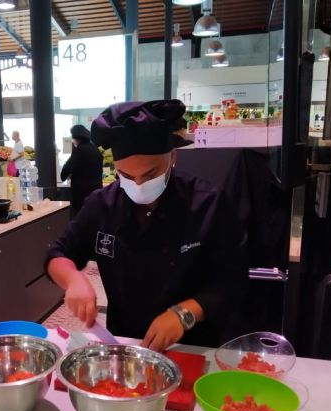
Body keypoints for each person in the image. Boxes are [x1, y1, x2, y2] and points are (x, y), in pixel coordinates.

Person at [45, 100, 248, 351]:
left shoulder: (207, 203)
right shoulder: (102, 205)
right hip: (125, 344)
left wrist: (184, 314)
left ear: (172, 157)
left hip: (191, 345)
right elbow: (58, 254)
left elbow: (231, 279)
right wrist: (73, 279)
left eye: (150, 174)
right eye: (127, 176)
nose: (139, 185)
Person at [60, 125, 103, 216]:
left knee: (80, 220)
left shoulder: (80, 150)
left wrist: (64, 176)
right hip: (96, 191)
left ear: (75, 138)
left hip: (82, 194)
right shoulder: (95, 149)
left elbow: (67, 169)